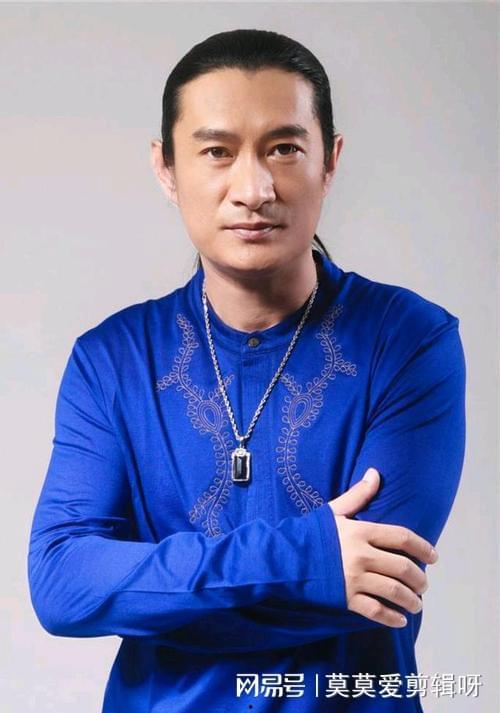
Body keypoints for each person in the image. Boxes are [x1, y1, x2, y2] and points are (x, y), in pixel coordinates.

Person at [27, 29, 466, 712]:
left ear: (331, 161)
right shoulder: (111, 361)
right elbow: (62, 585)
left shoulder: (408, 340)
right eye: (217, 152)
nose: (254, 189)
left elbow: (380, 583)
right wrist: (310, 560)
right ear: (166, 167)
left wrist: (150, 590)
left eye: (284, 149)